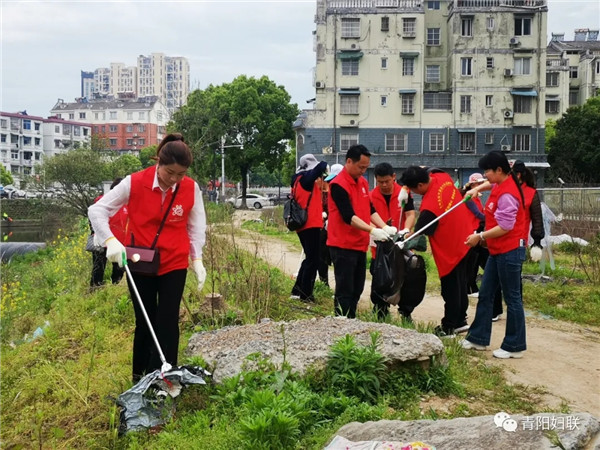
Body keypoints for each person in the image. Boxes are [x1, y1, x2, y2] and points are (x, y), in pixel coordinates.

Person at [88, 133, 207, 381]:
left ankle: (163, 378)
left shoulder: (191, 188)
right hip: (139, 261)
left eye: (180, 174)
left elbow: (196, 227)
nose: (174, 179)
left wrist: (197, 259)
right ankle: (139, 377)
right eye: (169, 172)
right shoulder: (134, 182)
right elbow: (97, 210)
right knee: (145, 321)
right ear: (159, 163)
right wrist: (110, 240)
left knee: (168, 321)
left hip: (174, 262)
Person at [463, 150, 527, 359]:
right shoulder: (501, 182)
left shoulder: (508, 194)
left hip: (510, 250)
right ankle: (478, 338)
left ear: (499, 170)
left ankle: (514, 346)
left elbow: (506, 226)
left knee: (512, 298)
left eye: (487, 171)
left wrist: (480, 236)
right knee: (486, 293)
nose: (485, 176)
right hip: (497, 250)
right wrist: (476, 189)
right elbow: (490, 185)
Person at [399, 166, 474, 337]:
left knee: (451, 288)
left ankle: (449, 326)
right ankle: (460, 321)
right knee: (461, 283)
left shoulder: (429, 208)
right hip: (467, 238)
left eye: (413, 190)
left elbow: (420, 234)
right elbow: (428, 168)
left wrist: (406, 237)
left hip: (451, 249)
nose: (414, 193)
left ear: (420, 185)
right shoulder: (442, 176)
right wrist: (404, 188)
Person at [327, 145, 396, 318]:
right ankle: (342, 320)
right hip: (342, 245)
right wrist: (373, 230)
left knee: (357, 287)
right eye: (361, 167)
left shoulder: (363, 182)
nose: (363, 171)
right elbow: (348, 217)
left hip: (359, 244)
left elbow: (370, 209)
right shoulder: (338, 185)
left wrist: (384, 226)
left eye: (366, 167)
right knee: (345, 288)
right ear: (349, 161)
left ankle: (351, 318)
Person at [368, 162, 416, 320]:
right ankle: (380, 311)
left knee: (405, 279)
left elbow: (410, 214)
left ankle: (406, 313)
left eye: (387, 181)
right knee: (380, 279)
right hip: (379, 246)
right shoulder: (370, 196)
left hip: (401, 244)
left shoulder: (404, 193)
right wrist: (375, 232)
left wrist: (406, 229)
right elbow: (367, 217)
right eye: (380, 182)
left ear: (394, 177)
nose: (384, 185)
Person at [290, 154, 328, 302]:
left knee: (310, 258)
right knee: (313, 260)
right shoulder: (305, 179)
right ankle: (306, 294)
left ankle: (298, 289)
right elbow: (321, 166)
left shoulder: (296, 179)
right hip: (310, 224)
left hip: (303, 224)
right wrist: (322, 165)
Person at [89, 177, 127, 287]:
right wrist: (95, 232)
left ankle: (116, 285)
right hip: (102, 240)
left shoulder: (127, 204)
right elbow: (94, 216)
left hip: (119, 242)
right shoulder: (102, 201)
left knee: (119, 267)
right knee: (98, 266)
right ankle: (95, 287)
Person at [318, 163, 343, 286]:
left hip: (339, 230)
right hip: (324, 229)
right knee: (322, 257)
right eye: (329, 180)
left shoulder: (344, 193)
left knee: (339, 259)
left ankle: (341, 287)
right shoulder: (324, 193)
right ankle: (324, 284)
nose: (331, 183)